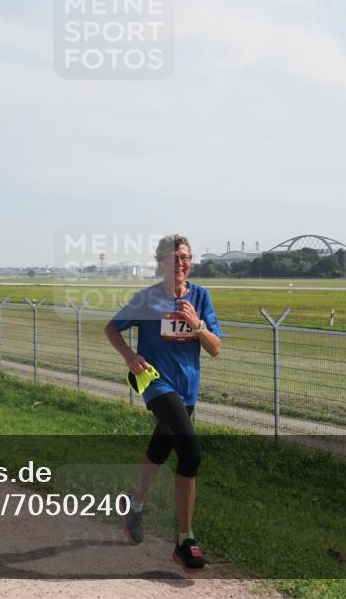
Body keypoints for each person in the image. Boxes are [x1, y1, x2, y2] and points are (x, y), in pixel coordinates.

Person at [104, 234, 222, 575]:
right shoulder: (147, 299)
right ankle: (185, 540)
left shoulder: (200, 297)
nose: (180, 263)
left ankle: (134, 505)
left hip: (188, 388)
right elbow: (112, 328)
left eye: (185, 257)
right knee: (191, 453)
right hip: (156, 384)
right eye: (173, 258)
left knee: (159, 449)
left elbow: (215, 348)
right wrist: (129, 356)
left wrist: (197, 324)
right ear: (160, 263)